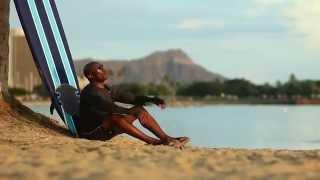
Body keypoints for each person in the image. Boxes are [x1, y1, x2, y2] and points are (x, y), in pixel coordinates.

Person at [77, 61, 189, 148]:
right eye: (99, 68)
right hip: (91, 134)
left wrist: (152, 99)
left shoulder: (107, 89)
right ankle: (154, 142)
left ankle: (166, 138)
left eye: (102, 67)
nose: (104, 70)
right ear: (90, 76)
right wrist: (128, 112)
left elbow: (131, 98)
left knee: (139, 109)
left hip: (106, 130)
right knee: (114, 117)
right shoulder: (90, 92)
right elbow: (108, 107)